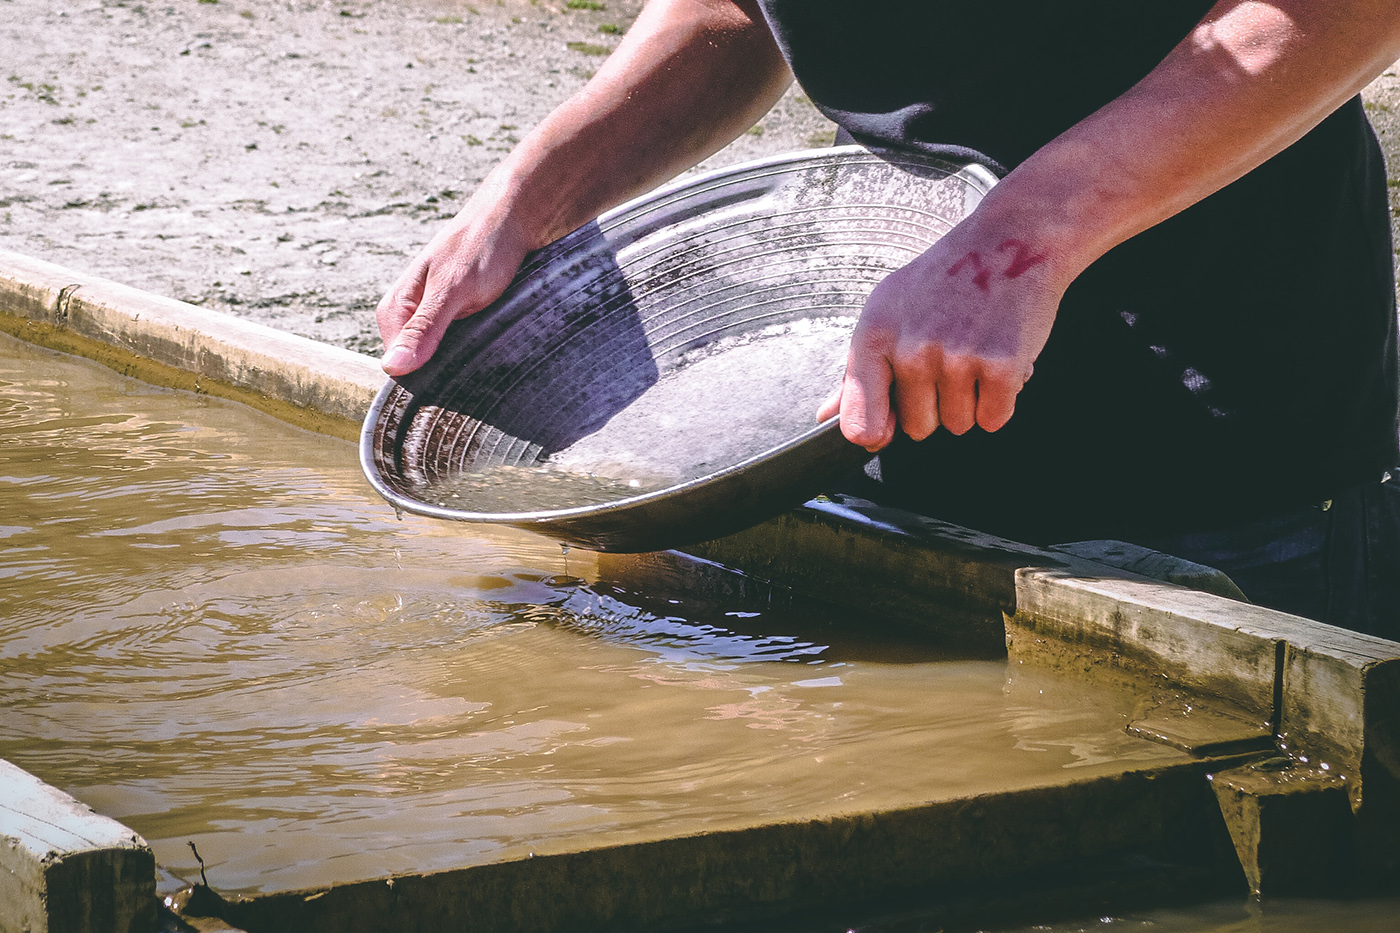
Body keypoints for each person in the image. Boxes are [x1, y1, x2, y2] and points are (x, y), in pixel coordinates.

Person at [375, 1, 1400, 638]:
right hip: (871, 410)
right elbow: (738, 12)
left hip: (1215, 437)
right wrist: (529, 196)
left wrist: (1022, 239)